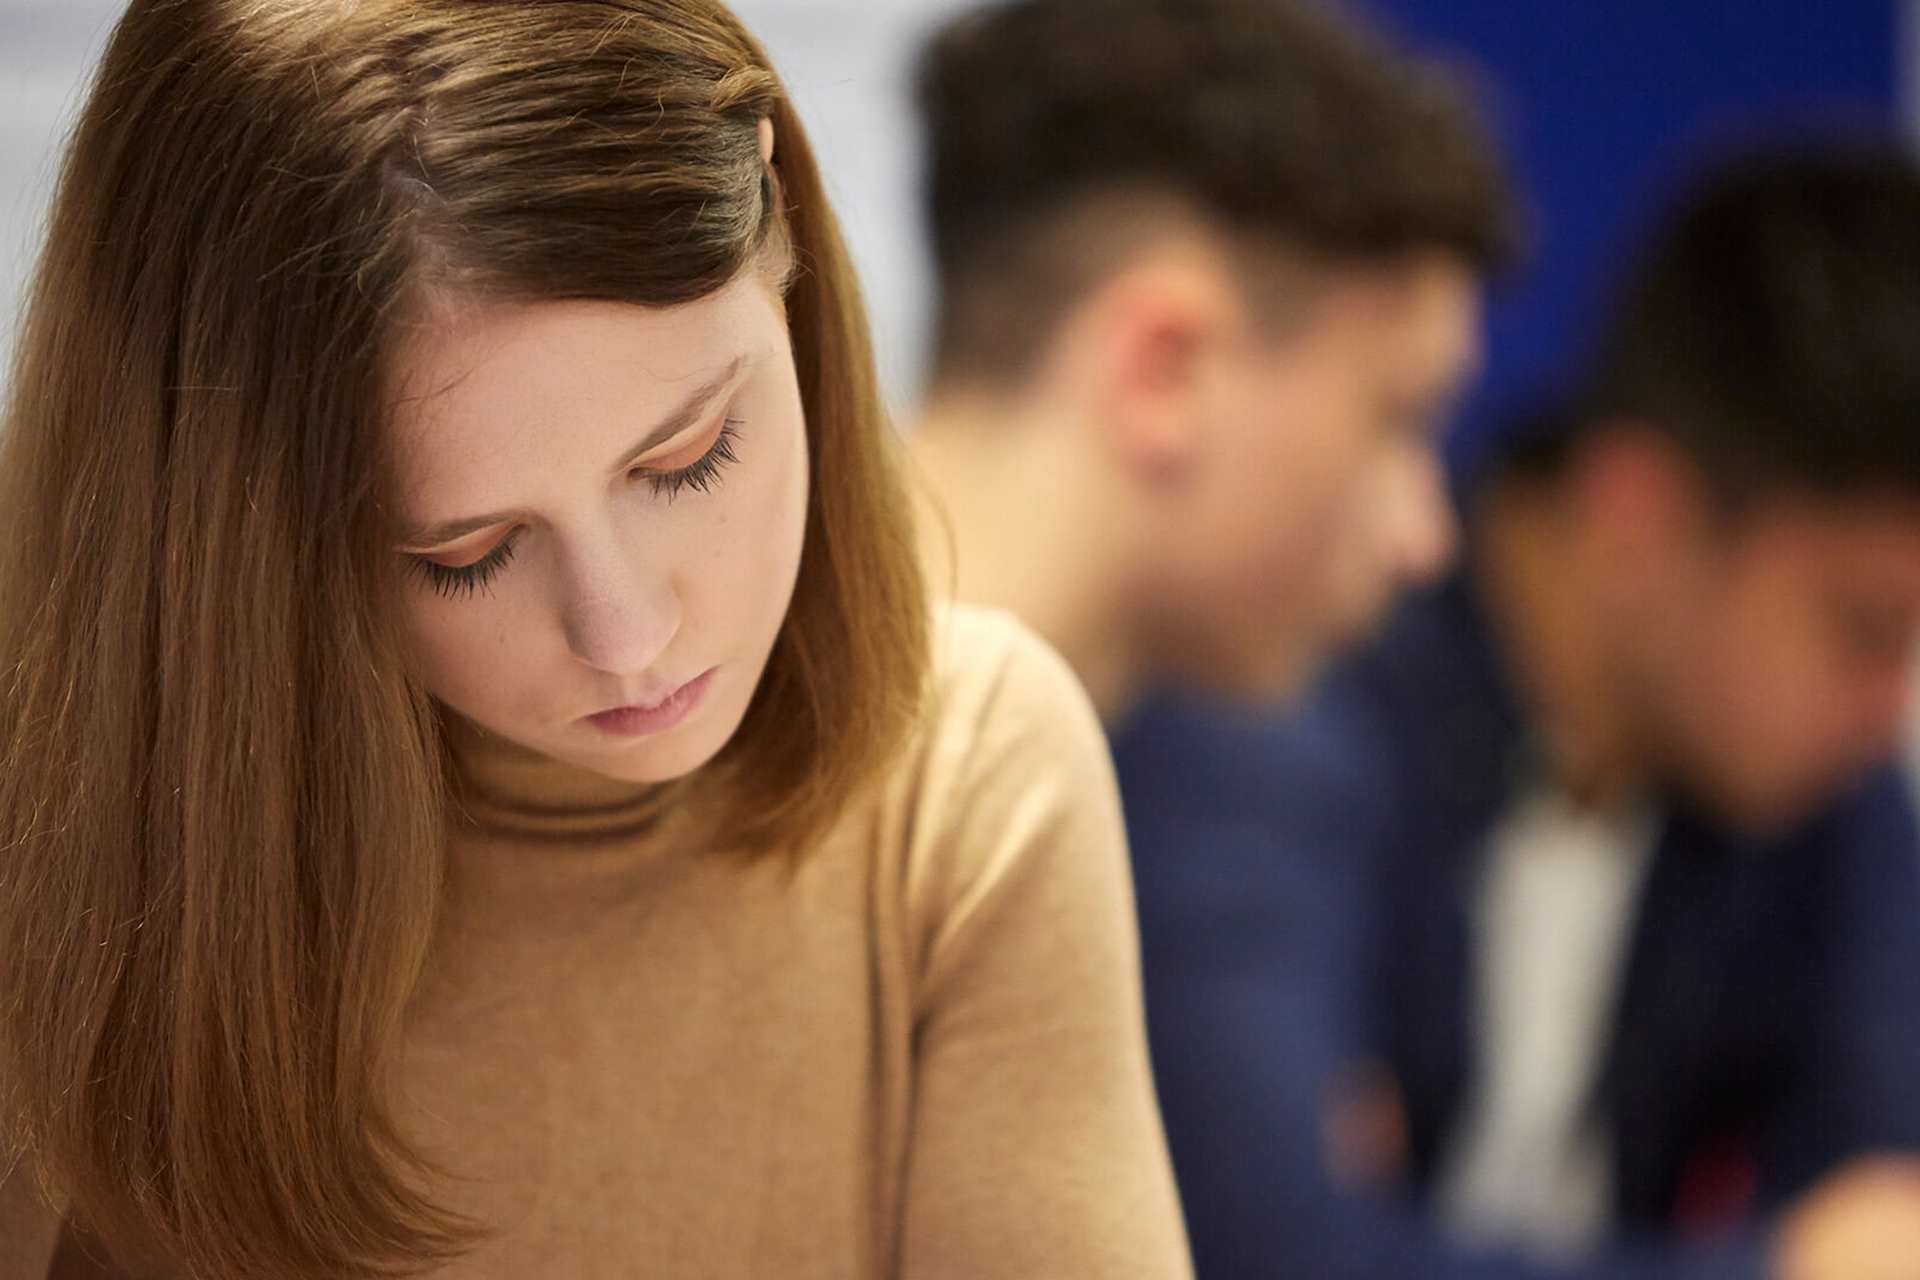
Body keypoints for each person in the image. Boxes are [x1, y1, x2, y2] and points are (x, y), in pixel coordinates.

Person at [0, 3, 1191, 1277]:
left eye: (688, 458)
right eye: (463, 552)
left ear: (783, 227)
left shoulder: (967, 778)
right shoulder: (52, 832)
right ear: (235, 550)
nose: (628, 638)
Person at [1121, 144, 1920, 1279]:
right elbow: (1268, 1253)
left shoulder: (1816, 781)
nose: (1892, 708)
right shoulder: (1282, 697)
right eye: (1866, 628)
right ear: (1640, 520)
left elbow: (1887, 1211)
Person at [906, 0, 1518, 720]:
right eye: (1398, 419)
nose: (1426, 540)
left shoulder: (824, 715)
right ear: (1164, 372)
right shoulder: (809, 783)